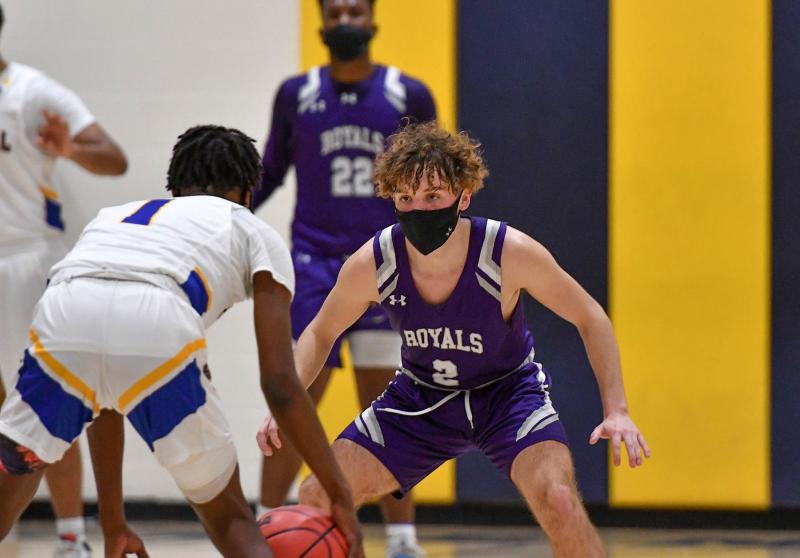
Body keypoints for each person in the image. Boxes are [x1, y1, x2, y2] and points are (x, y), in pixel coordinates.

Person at [257, 121, 651, 558]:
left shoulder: (508, 251)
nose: (418, 209)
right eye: (405, 198)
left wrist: (617, 410)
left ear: (463, 197)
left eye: (432, 196)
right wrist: (285, 401)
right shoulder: (375, 261)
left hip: (507, 395)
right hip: (421, 397)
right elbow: (320, 331)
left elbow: (590, 316)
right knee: (318, 496)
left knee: (559, 499)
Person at [0, 125, 364, 558]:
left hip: (62, 317)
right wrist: (339, 492)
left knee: (12, 482)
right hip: (157, 317)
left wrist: (113, 523)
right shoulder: (251, 229)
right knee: (231, 521)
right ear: (247, 192)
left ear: (173, 189)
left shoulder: (111, 218)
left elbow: (100, 389)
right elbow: (280, 382)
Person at [254, 0, 435, 556]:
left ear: (373, 19)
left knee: (389, 404)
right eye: (335, 13)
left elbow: (433, 178)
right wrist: (219, 214)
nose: (345, 22)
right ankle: (260, 525)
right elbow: (269, 170)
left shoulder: (408, 94)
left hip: (386, 262)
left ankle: (401, 539)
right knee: (295, 395)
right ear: (322, 23)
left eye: (355, 11)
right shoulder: (297, 93)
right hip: (314, 263)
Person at [0, 4, 128, 556]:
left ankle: (71, 536)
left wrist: (67, 148)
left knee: (43, 400)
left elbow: (114, 158)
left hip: (24, 261)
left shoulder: (32, 92)